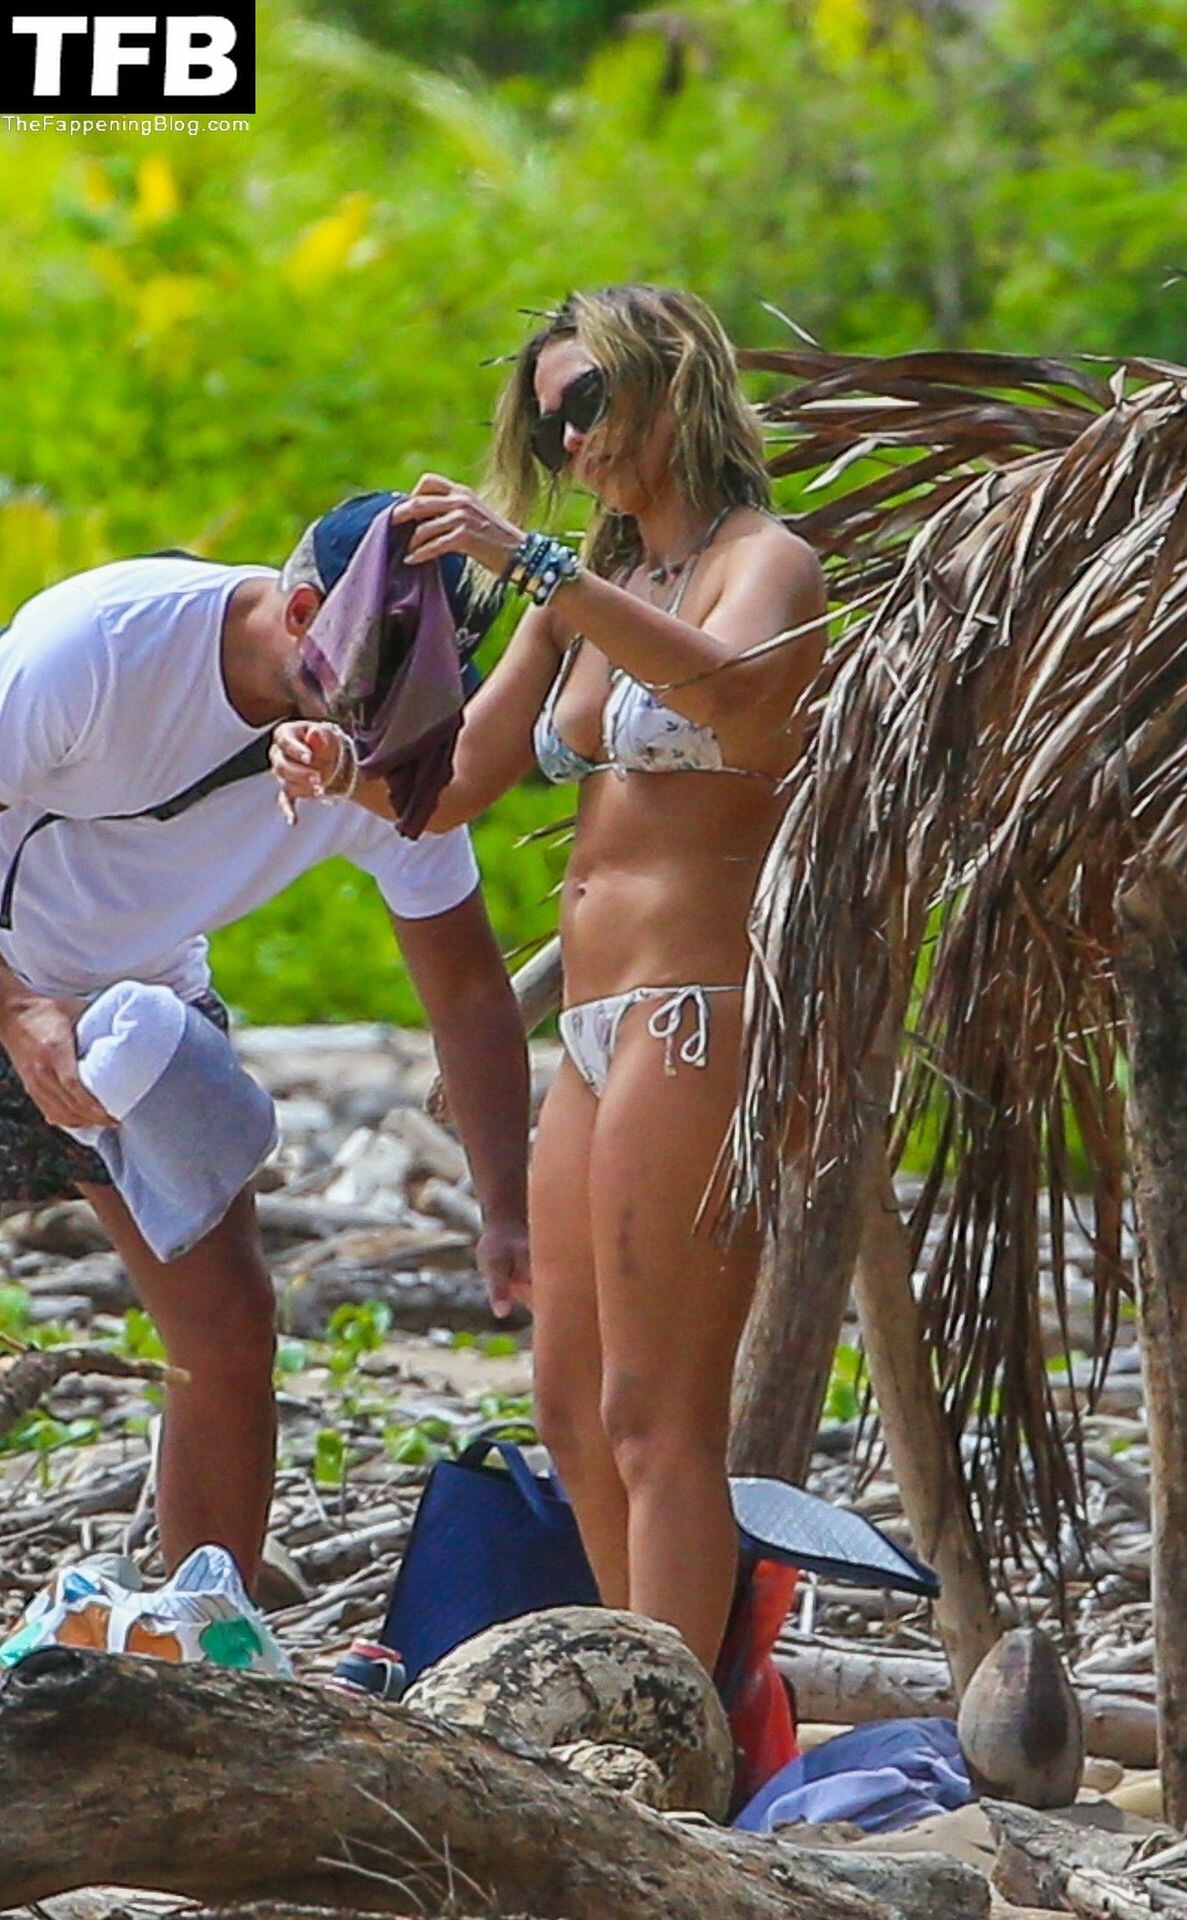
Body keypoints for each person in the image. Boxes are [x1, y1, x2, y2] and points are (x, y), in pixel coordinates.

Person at [272, 284, 827, 1671]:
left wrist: (531, 566)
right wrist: (341, 763)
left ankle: (678, 1737)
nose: (568, 442)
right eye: (546, 424)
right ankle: (646, 1694)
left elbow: (728, 691)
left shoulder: (764, 562)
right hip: (588, 1026)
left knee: (656, 1412)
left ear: (670, 383)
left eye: (585, 403)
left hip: (699, 1012)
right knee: (571, 1412)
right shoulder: (584, 587)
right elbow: (456, 782)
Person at [0, 501, 531, 1591]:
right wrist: (18, 1011)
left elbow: (469, 991)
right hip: (10, 973)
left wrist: (506, 1210)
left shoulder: (386, 759)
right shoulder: (97, 648)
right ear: (300, 616)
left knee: (230, 1328)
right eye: (375, 692)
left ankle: (205, 1637)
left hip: (142, 1010)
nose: (385, 734)